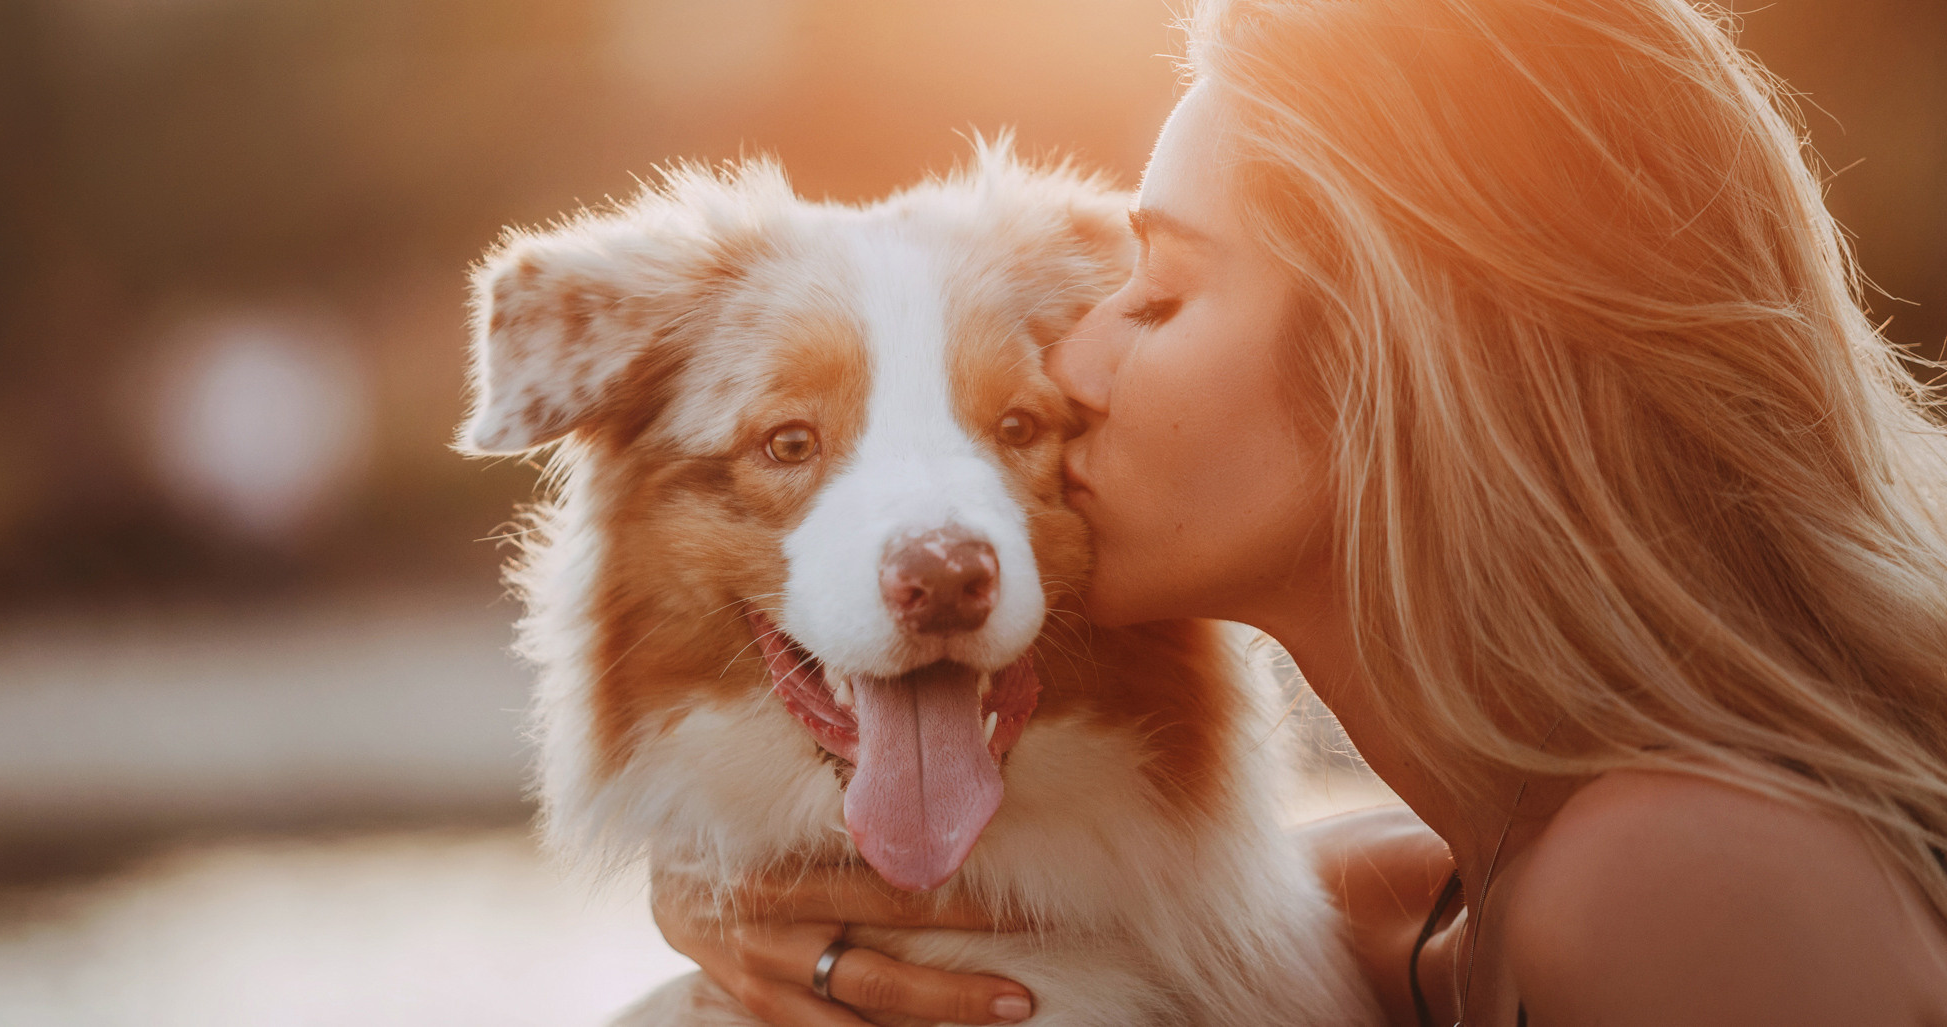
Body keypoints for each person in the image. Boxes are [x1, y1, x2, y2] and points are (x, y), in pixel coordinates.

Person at [646, 0, 1947, 1023]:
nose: (1072, 367)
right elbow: (1205, 911)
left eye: (1155, 296)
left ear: (1404, 366)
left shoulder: (1672, 880)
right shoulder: (1448, 904)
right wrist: (734, 896)